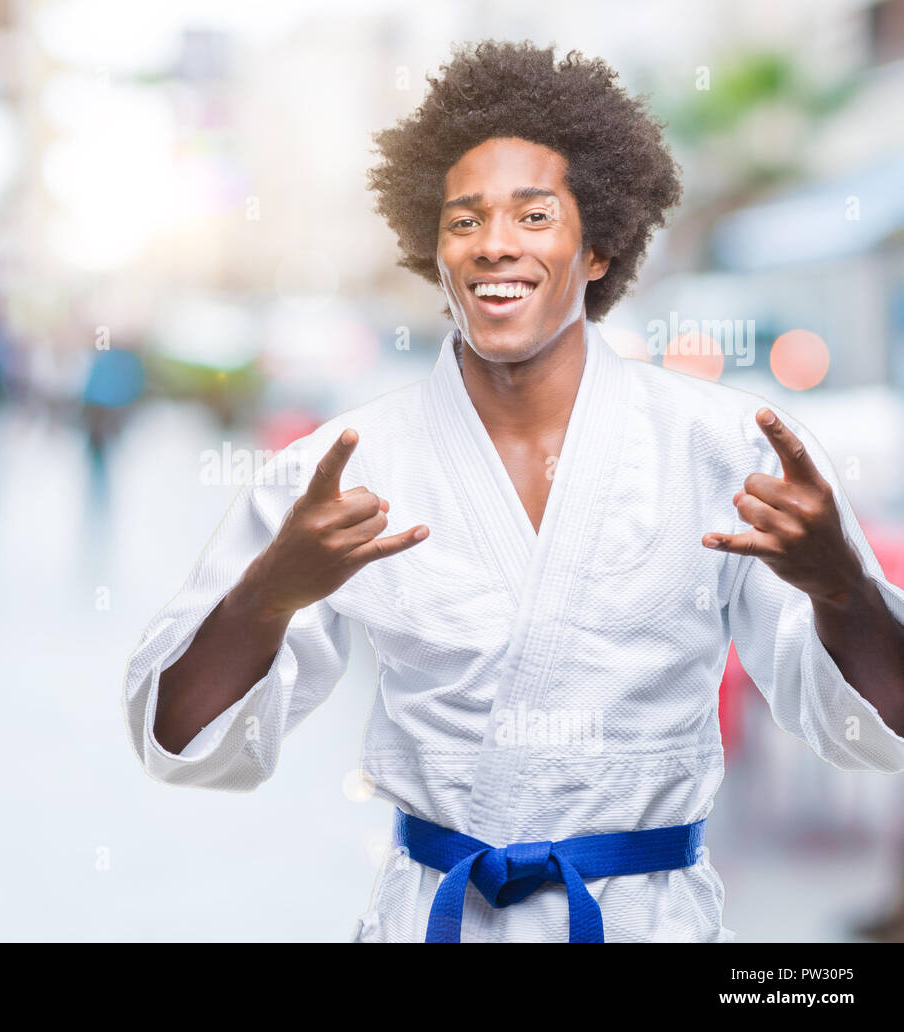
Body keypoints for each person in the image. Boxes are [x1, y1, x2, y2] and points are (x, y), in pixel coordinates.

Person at [120, 39, 904, 942]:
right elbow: (174, 740)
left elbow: (875, 731)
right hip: (437, 918)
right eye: (464, 220)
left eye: (534, 215)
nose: (496, 245)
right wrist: (268, 593)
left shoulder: (724, 448)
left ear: (599, 244)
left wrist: (842, 583)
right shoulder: (347, 467)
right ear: (433, 248)